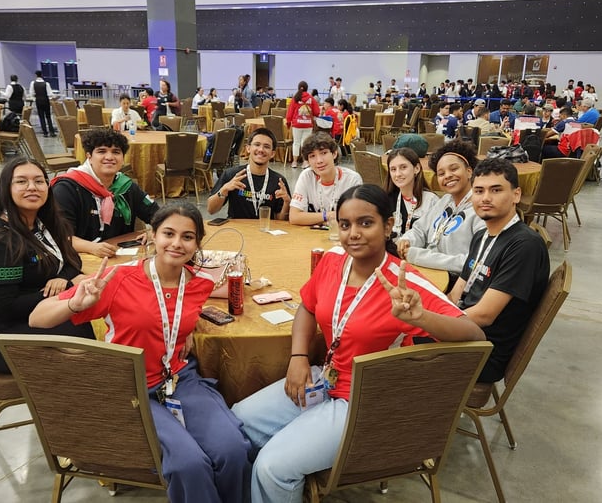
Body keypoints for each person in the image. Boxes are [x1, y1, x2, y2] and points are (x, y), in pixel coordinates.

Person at [231, 184, 485, 503]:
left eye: (366, 223)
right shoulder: (333, 261)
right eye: (345, 224)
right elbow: (308, 307)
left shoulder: (404, 282)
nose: (353, 233)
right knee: (237, 422)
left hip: (367, 400)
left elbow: (475, 335)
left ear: (388, 226)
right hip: (326, 379)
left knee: (273, 467)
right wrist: (298, 356)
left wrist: (421, 317)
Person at [30, 201, 252, 503]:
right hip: (131, 387)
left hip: (180, 380)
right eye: (168, 233)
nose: (177, 243)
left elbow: (177, 311)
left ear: (197, 243)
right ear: (152, 235)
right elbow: (37, 317)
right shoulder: (119, 279)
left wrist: (182, 333)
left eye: (187, 237)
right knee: (188, 465)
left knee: (233, 450)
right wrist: (75, 304)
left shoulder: (200, 284)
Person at [0, 157, 94, 373]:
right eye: (21, 181)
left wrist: (63, 279)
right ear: (6, 189)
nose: (32, 187)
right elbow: (7, 308)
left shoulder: (42, 223)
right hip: (2, 337)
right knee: (86, 336)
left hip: (32, 315)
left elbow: (73, 259)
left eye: (39, 181)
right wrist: (70, 289)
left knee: (91, 319)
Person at [447, 158, 549, 383]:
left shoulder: (524, 245)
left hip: (484, 352)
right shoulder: (481, 236)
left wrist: (430, 322)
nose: (485, 198)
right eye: (479, 191)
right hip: (464, 330)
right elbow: (456, 293)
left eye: (496, 190)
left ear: (516, 195)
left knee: (390, 345)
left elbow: (484, 315)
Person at [51, 127, 158, 257]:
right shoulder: (66, 189)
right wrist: (91, 247)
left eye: (116, 152)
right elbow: (59, 236)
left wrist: (154, 232)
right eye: (101, 151)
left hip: (119, 257)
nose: (109, 157)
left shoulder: (126, 186)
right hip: (77, 258)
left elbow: (160, 215)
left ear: (123, 158)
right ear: (89, 156)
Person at [397, 140, 485, 282]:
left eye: (454, 169)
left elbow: (473, 262)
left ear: (469, 171)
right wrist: (407, 240)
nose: (447, 176)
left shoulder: (481, 210)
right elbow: (420, 229)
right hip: (426, 272)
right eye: (441, 173)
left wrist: (418, 255)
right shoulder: (445, 201)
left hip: (456, 281)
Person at [207, 127, 292, 220]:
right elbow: (211, 210)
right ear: (248, 148)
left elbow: (280, 220)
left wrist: (287, 203)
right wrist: (224, 190)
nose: (261, 149)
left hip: (265, 228)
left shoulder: (279, 181)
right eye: (257, 144)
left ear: (272, 153)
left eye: (266, 146)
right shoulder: (231, 175)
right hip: (236, 228)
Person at [288, 132, 362, 225]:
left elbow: (354, 217)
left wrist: (312, 219)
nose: (319, 161)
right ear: (308, 161)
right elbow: (294, 217)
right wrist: (328, 215)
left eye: (323, 153)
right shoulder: (306, 176)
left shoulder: (352, 179)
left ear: (334, 153)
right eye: (312, 156)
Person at [385, 147, 437, 236]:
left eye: (403, 167)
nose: (398, 174)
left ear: (416, 168)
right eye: (393, 169)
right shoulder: (387, 200)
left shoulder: (431, 201)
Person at [286, 80, 320, 168]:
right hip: (308, 125)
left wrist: (288, 122)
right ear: (307, 88)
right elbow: (317, 111)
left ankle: (294, 162)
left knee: (296, 143)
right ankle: (305, 162)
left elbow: (290, 112)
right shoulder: (311, 98)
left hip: (297, 124)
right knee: (305, 143)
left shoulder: (295, 98)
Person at [29, 70, 56, 137]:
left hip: (38, 101)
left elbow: (31, 93)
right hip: (46, 100)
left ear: (36, 75)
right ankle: (52, 132)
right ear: (42, 75)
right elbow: (50, 94)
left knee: (41, 117)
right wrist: (53, 97)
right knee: (48, 116)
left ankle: (45, 132)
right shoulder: (46, 83)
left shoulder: (33, 83)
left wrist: (34, 99)